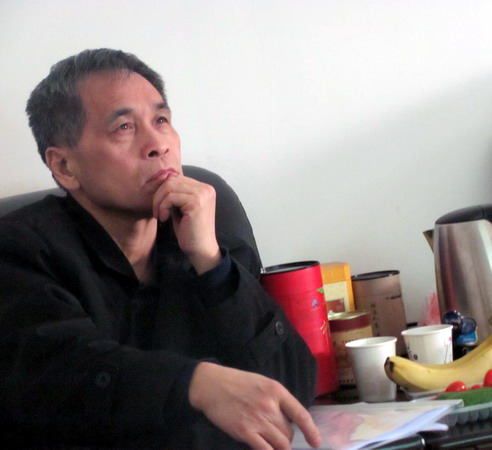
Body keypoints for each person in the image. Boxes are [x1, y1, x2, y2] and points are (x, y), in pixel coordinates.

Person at [0, 48, 321, 449]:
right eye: (124, 127)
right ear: (65, 167)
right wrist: (196, 384)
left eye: (161, 120)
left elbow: (292, 389)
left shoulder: (206, 235)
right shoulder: (19, 251)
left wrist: (212, 264)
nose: (157, 145)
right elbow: (68, 380)